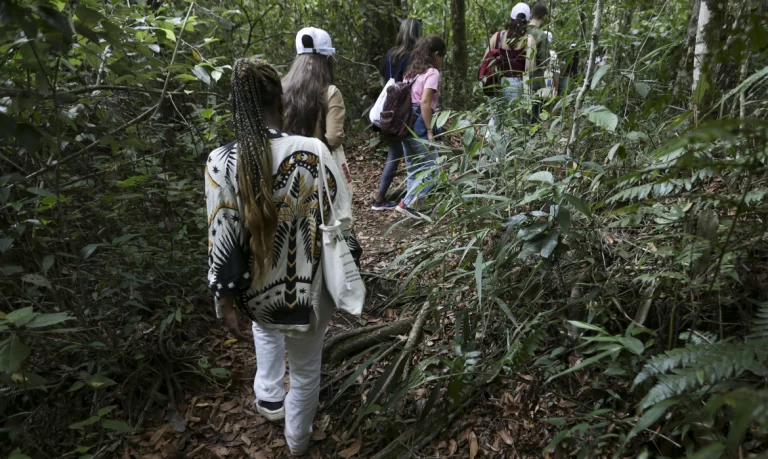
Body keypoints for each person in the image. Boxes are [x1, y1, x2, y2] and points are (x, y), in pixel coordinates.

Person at [205, 58, 352, 456]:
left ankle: (269, 399)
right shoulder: (313, 151)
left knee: (266, 331)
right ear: (281, 101)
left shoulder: (220, 162)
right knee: (305, 373)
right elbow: (343, 219)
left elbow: (222, 236)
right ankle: (297, 443)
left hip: (256, 296)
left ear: (236, 106)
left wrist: (225, 299)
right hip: (308, 294)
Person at [372, 18, 423, 211]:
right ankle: (407, 200)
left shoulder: (390, 54)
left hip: (389, 108)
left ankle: (382, 197)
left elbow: (385, 76)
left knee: (396, 152)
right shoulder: (415, 57)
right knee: (410, 154)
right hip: (406, 111)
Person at [395, 36, 447, 220]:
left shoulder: (412, 72)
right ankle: (407, 203)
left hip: (405, 122)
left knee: (414, 168)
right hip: (419, 123)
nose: (441, 61)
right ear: (435, 54)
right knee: (433, 168)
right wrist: (430, 131)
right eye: (441, 56)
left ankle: (412, 207)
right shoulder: (432, 72)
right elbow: (425, 102)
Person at [282, 27, 345, 156]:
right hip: (316, 164)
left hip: (286, 163)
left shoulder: (281, 88)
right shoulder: (331, 92)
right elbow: (334, 139)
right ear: (328, 60)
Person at [484, 3, 531, 104]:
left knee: (496, 117)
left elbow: (485, 60)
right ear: (527, 21)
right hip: (517, 84)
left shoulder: (497, 37)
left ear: (511, 18)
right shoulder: (528, 39)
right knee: (515, 118)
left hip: (496, 82)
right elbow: (529, 69)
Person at [526, 3, 550, 123]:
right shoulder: (541, 35)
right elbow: (545, 60)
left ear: (532, 15)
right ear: (544, 17)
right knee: (535, 114)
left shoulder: (520, 31)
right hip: (535, 81)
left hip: (517, 80)